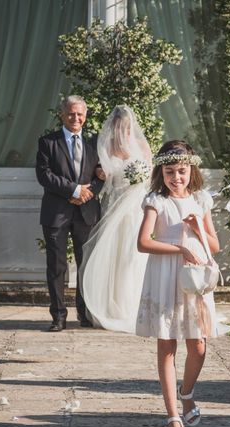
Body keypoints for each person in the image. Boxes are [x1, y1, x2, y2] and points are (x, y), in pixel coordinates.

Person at [136, 140, 229, 427]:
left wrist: (196, 229)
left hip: (194, 280)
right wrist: (179, 248)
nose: (176, 178)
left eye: (182, 171)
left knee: (198, 346)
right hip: (166, 275)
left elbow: (214, 245)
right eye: (169, 172)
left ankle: (187, 393)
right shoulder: (156, 201)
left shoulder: (200, 201)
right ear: (160, 173)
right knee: (167, 347)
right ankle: (173, 416)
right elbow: (144, 242)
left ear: (192, 171)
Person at [79, 105, 152, 332]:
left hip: (134, 208)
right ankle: (110, 308)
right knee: (112, 256)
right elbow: (98, 174)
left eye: (127, 126)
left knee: (132, 256)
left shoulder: (141, 145)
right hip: (113, 205)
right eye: (119, 125)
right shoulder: (106, 145)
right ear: (113, 125)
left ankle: (133, 307)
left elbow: (150, 174)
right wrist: (101, 174)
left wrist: (140, 178)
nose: (123, 130)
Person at [35, 95, 104, 332]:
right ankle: (58, 316)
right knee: (57, 266)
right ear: (62, 115)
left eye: (80, 114)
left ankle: (84, 314)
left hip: (86, 212)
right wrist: (73, 190)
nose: (76, 118)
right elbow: (44, 175)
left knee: (86, 265)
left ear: (85, 115)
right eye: (71, 113)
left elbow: (102, 175)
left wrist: (87, 192)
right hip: (57, 213)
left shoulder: (96, 143)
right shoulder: (47, 142)